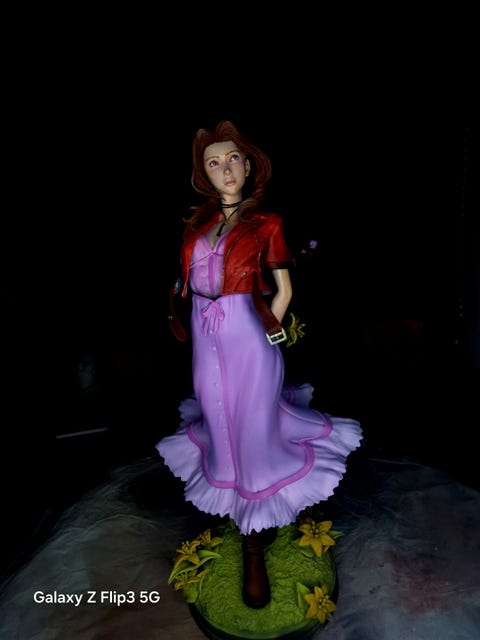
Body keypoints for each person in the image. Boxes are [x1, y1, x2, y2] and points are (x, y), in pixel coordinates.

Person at [157, 120, 362, 609]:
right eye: (214, 162)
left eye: (233, 159)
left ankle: (254, 545)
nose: (225, 168)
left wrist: (272, 328)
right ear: (204, 174)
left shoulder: (265, 222)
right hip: (205, 332)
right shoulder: (197, 225)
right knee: (216, 414)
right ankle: (236, 506)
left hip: (247, 329)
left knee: (251, 424)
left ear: (248, 166)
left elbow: (284, 287)